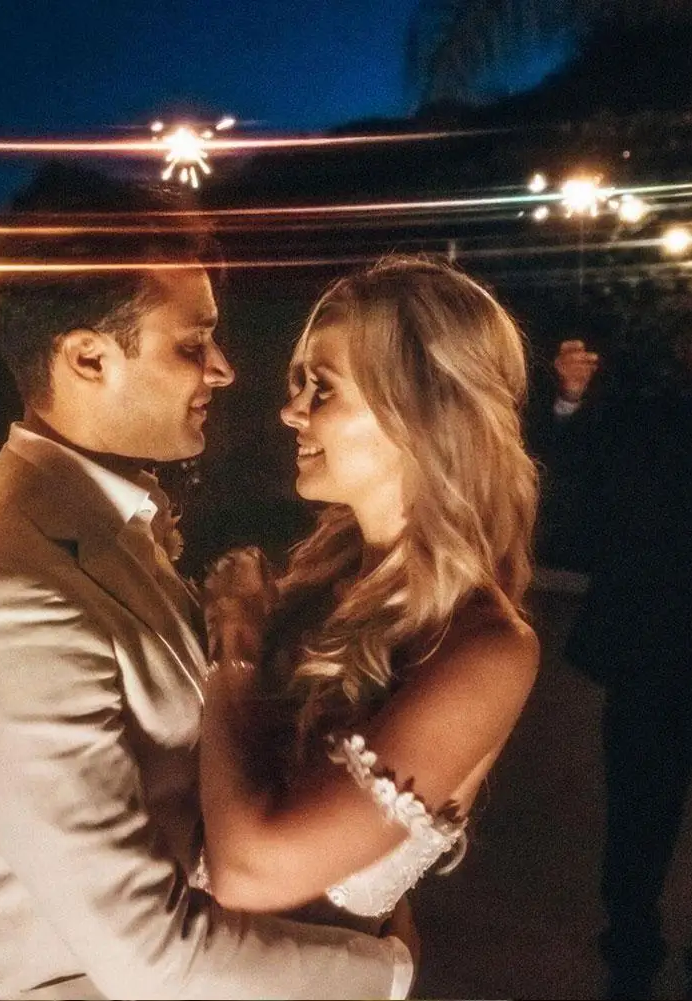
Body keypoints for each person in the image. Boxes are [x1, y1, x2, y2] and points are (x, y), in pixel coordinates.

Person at [0, 169, 415, 1000]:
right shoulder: (6, 601)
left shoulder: (94, 521)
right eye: (191, 343)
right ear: (88, 356)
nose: (223, 369)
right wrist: (385, 972)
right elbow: (148, 954)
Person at [198, 258, 541, 957]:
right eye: (299, 384)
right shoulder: (313, 580)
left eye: (321, 387)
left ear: (419, 413)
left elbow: (248, 870)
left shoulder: (487, 648)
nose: (290, 410)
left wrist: (233, 643)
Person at [540, 333, 692, 999]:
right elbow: (576, 466)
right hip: (652, 646)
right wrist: (569, 399)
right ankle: (630, 947)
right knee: (639, 810)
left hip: (652, 643)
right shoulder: (650, 410)